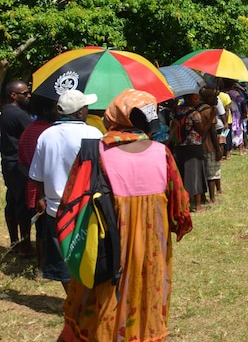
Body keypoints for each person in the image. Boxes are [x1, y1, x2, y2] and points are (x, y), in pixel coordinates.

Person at [58, 89, 193, 342]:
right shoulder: (161, 153)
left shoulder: (96, 152)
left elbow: (71, 202)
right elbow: (180, 207)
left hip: (107, 244)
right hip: (152, 247)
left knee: (102, 297)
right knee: (144, 293)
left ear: (114, 116)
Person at [29, 89, 102, 290]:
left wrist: (42, 198)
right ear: (79, 113)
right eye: (86, 107)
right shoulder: (92, 133)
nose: (88, 110)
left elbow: (36, 175)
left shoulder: (46, 135)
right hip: (87, 206)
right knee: (88, 255)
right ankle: (83, 300)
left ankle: (71, 299)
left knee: (63, 260)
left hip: (56, 209)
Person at [17, 95, 57, 275]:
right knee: (46, 232)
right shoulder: (48, 133)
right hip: (46, 190)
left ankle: (42, 266)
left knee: (41, 230)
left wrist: (32, 179)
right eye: (55, 108)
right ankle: (44, 268)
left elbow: (21, 163)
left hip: (33, 188)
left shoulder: (28, 131)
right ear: (47, 111)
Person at [1, 79, 34, 257]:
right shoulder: (19, 115)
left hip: (8, 163)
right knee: (22, 205)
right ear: (13, 95)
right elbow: (33, 135)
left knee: (12, 202)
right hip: (19, 165)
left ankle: (15, 243)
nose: (28, 96)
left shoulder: (6, 111)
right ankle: (25, 246)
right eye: (25, 93)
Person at [171, 93, 208, 213]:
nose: (198, 100)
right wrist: (211, 117)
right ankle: (197, 206)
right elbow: (201, 131)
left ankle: (183, 203)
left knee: (182, 175)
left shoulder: (176, 110)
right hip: (193, 146)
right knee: (195, 175)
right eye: (195, 98)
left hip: (179, 146)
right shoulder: (194, 114)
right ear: (187, 99)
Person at [198, 89, 222, 204]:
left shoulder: (200, 109)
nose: (217, 100)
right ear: (208, 99)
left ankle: (204, 196)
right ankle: (212, 197)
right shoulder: (209, 111)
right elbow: (212, 131)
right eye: (214, 97)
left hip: (200, 145)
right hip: (209, 145)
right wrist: (217, 149)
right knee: (212, 173)